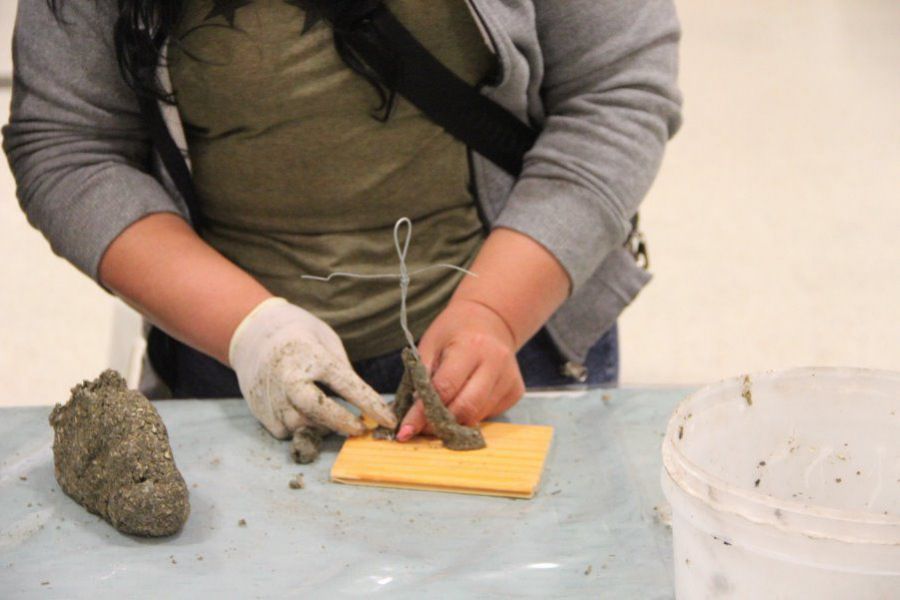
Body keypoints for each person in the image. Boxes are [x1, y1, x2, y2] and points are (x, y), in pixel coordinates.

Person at [3, 0, 681, 445]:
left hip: (515, 339)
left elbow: (617, 91)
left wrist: (495, 313)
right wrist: (253, 331)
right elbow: (69, 144)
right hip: (227, 358)